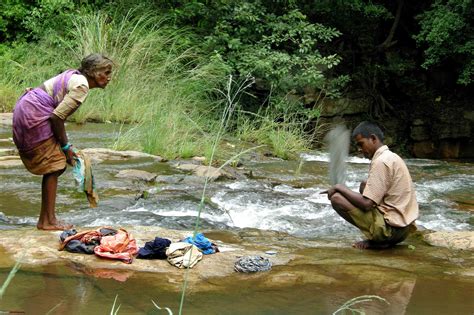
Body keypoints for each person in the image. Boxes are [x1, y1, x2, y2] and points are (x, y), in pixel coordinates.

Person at [12, 53, 113, 230]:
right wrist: (66, 147)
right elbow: (57, 117)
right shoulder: (81, 85)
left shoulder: (76, 78)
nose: (109, 77)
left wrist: (64, 146)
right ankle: (48, 221)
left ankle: (46, 220)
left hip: (27, 108)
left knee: (55, 165)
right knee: (56, 165)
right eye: (106, 72)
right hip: (33, 113)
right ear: (93, 72)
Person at [322, 121, 418, 249]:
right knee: (364, 185)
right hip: (404, 229)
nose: (360, 149)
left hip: (391, 231)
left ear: (373, 139)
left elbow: (367, 204)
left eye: (361, 144)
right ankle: (379, 237)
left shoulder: (381, 162)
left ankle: (378, 240)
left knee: (337, 198)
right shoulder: (392, 156)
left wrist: (340, 187)